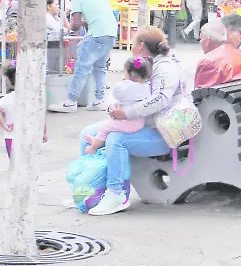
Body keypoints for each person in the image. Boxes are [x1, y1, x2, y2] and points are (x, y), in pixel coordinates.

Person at [76, 27, 182, 216]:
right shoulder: (141, 65)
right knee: (88, 134)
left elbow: (160, 100)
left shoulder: (165, 67)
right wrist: (113, 107)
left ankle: (116, 194)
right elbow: (120, 90)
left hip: (161, 132)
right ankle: (89, 191)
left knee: (116, 140)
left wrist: (126, 112)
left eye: (133, 43)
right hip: (136, 125)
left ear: (140, 46)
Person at [51, 0, 119, 113]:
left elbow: (75, 26)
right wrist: (84, 23)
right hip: (111, 35)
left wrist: (70, 24)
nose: (71, 1)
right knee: (100, 68)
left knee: (81, 68)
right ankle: (99, 100)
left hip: (96, 35)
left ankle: (70, 102)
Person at [84, 57, 152, 155]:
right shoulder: (146, 87)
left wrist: (122, 82)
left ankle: (93, 147)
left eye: (125, 73)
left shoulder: (128, 86)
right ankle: (100, 142)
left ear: (132, 75)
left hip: (129, 123)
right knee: (110, 125)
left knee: (105, 127)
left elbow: (115, 92)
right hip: (138, 122)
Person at [0, 62, 46, 159]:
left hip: (11, 137)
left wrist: (4, 125)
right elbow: (41, 117)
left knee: (14, 162)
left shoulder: (7, 98)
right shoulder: (33, 98)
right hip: (30, 136)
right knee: (29, 162)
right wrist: (43, 133)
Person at [193, 21, 241, 89]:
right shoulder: (237, 53)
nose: (200, 42)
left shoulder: (207, 62)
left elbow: (200, 93)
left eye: (201, 39)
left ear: (207, 42)